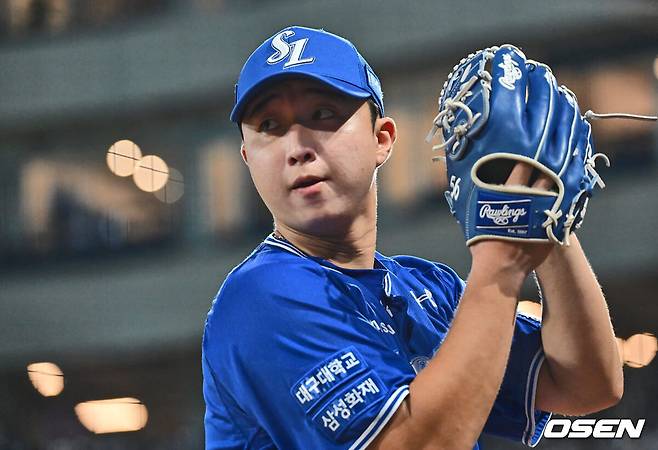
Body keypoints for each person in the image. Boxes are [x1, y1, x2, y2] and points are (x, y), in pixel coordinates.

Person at [201, 26, 623, 449]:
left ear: (381, 139)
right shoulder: (261, 295)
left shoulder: (427, 289)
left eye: (323, 114)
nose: (296, 147)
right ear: (248, 159)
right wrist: (502, 260)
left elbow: (586, 385)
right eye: (269, 126)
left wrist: (546, 215)